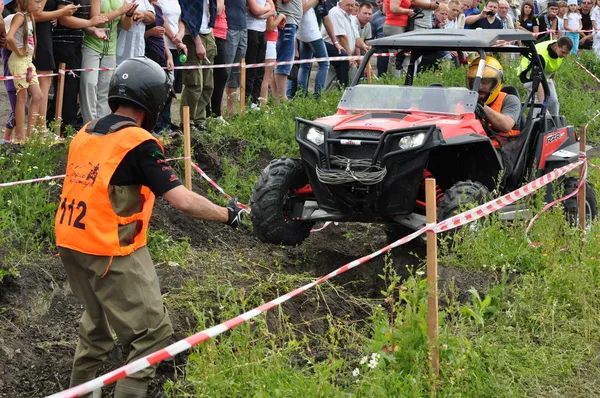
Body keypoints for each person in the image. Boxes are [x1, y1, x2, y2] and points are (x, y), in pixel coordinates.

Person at [54, 57, 247, 398]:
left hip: (71, 240)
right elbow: (183, 200)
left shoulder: (86, 132)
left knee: (96, 328)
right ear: (154, 101)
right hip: (110, 248)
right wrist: (227, 214)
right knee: (152, 335)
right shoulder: (139, 143)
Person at [48, 0, 108, 134]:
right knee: (67, 87)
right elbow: (64, 19)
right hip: (63, 43)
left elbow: (82, 22)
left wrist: (93, 30)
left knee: (72, 88)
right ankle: (64, 127)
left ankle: (61, 125)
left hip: (76, 43)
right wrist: (90, 23)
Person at [80, 0, 137, 124]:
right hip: (91, 45)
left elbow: (126, 26)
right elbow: (96, 19)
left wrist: (128, 14)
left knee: (105, 88)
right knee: (89, 84)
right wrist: (120, 11)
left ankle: (102, 123)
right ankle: (89, 124)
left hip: (111, 49)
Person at [467, 56, 522, 173]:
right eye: (474, 82)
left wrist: (481, 106)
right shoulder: (464, 101)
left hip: (502, 152)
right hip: (468, 148)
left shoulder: (509, 100)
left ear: (496, 83)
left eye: (485, 82)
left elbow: (506, 125)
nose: (479, 86)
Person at [32, 0, 79, 127]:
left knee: (45, 81)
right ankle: (39, 128)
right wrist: (61, 12)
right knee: (44, 80)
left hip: (44, 32)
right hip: (40, 34)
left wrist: (54, 15)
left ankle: (40, 127)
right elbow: (35, 14)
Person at [6, 0, 44, 142]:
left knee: (38, 95)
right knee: (21, 98)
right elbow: (10, 37)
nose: (39, 5)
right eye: (36, 2)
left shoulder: (29, 17)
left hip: (28, 61)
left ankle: (30, 132)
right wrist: (19, 51)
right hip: (19, 61)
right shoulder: (20, 16)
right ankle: (20, 135)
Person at [180, 0, 218, 128]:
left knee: (208, 85)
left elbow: (212, 10)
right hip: (192, 36)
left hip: (208, 33)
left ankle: (199, 120)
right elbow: (187, 15)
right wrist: (198, 43)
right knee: (195, 84)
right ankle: (187, 121)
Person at [519, 36, 573, 116]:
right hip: (529, 76)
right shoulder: (541, 56)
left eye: (567, 53)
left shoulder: (560, 48)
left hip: (545, 76)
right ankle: (535, 124)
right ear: (556, 46)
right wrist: (543, 105)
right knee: (538, 105)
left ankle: (555, 123)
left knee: (554, 102)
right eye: (563, 52)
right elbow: (537, 80)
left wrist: (552, 80)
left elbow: (553, 65)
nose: (565, 55)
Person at [116, 0, 155, 65]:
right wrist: (131, 14)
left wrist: (143, 14)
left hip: (139, 50)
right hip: (120, 51)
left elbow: (152, 18)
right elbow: (125, 26)